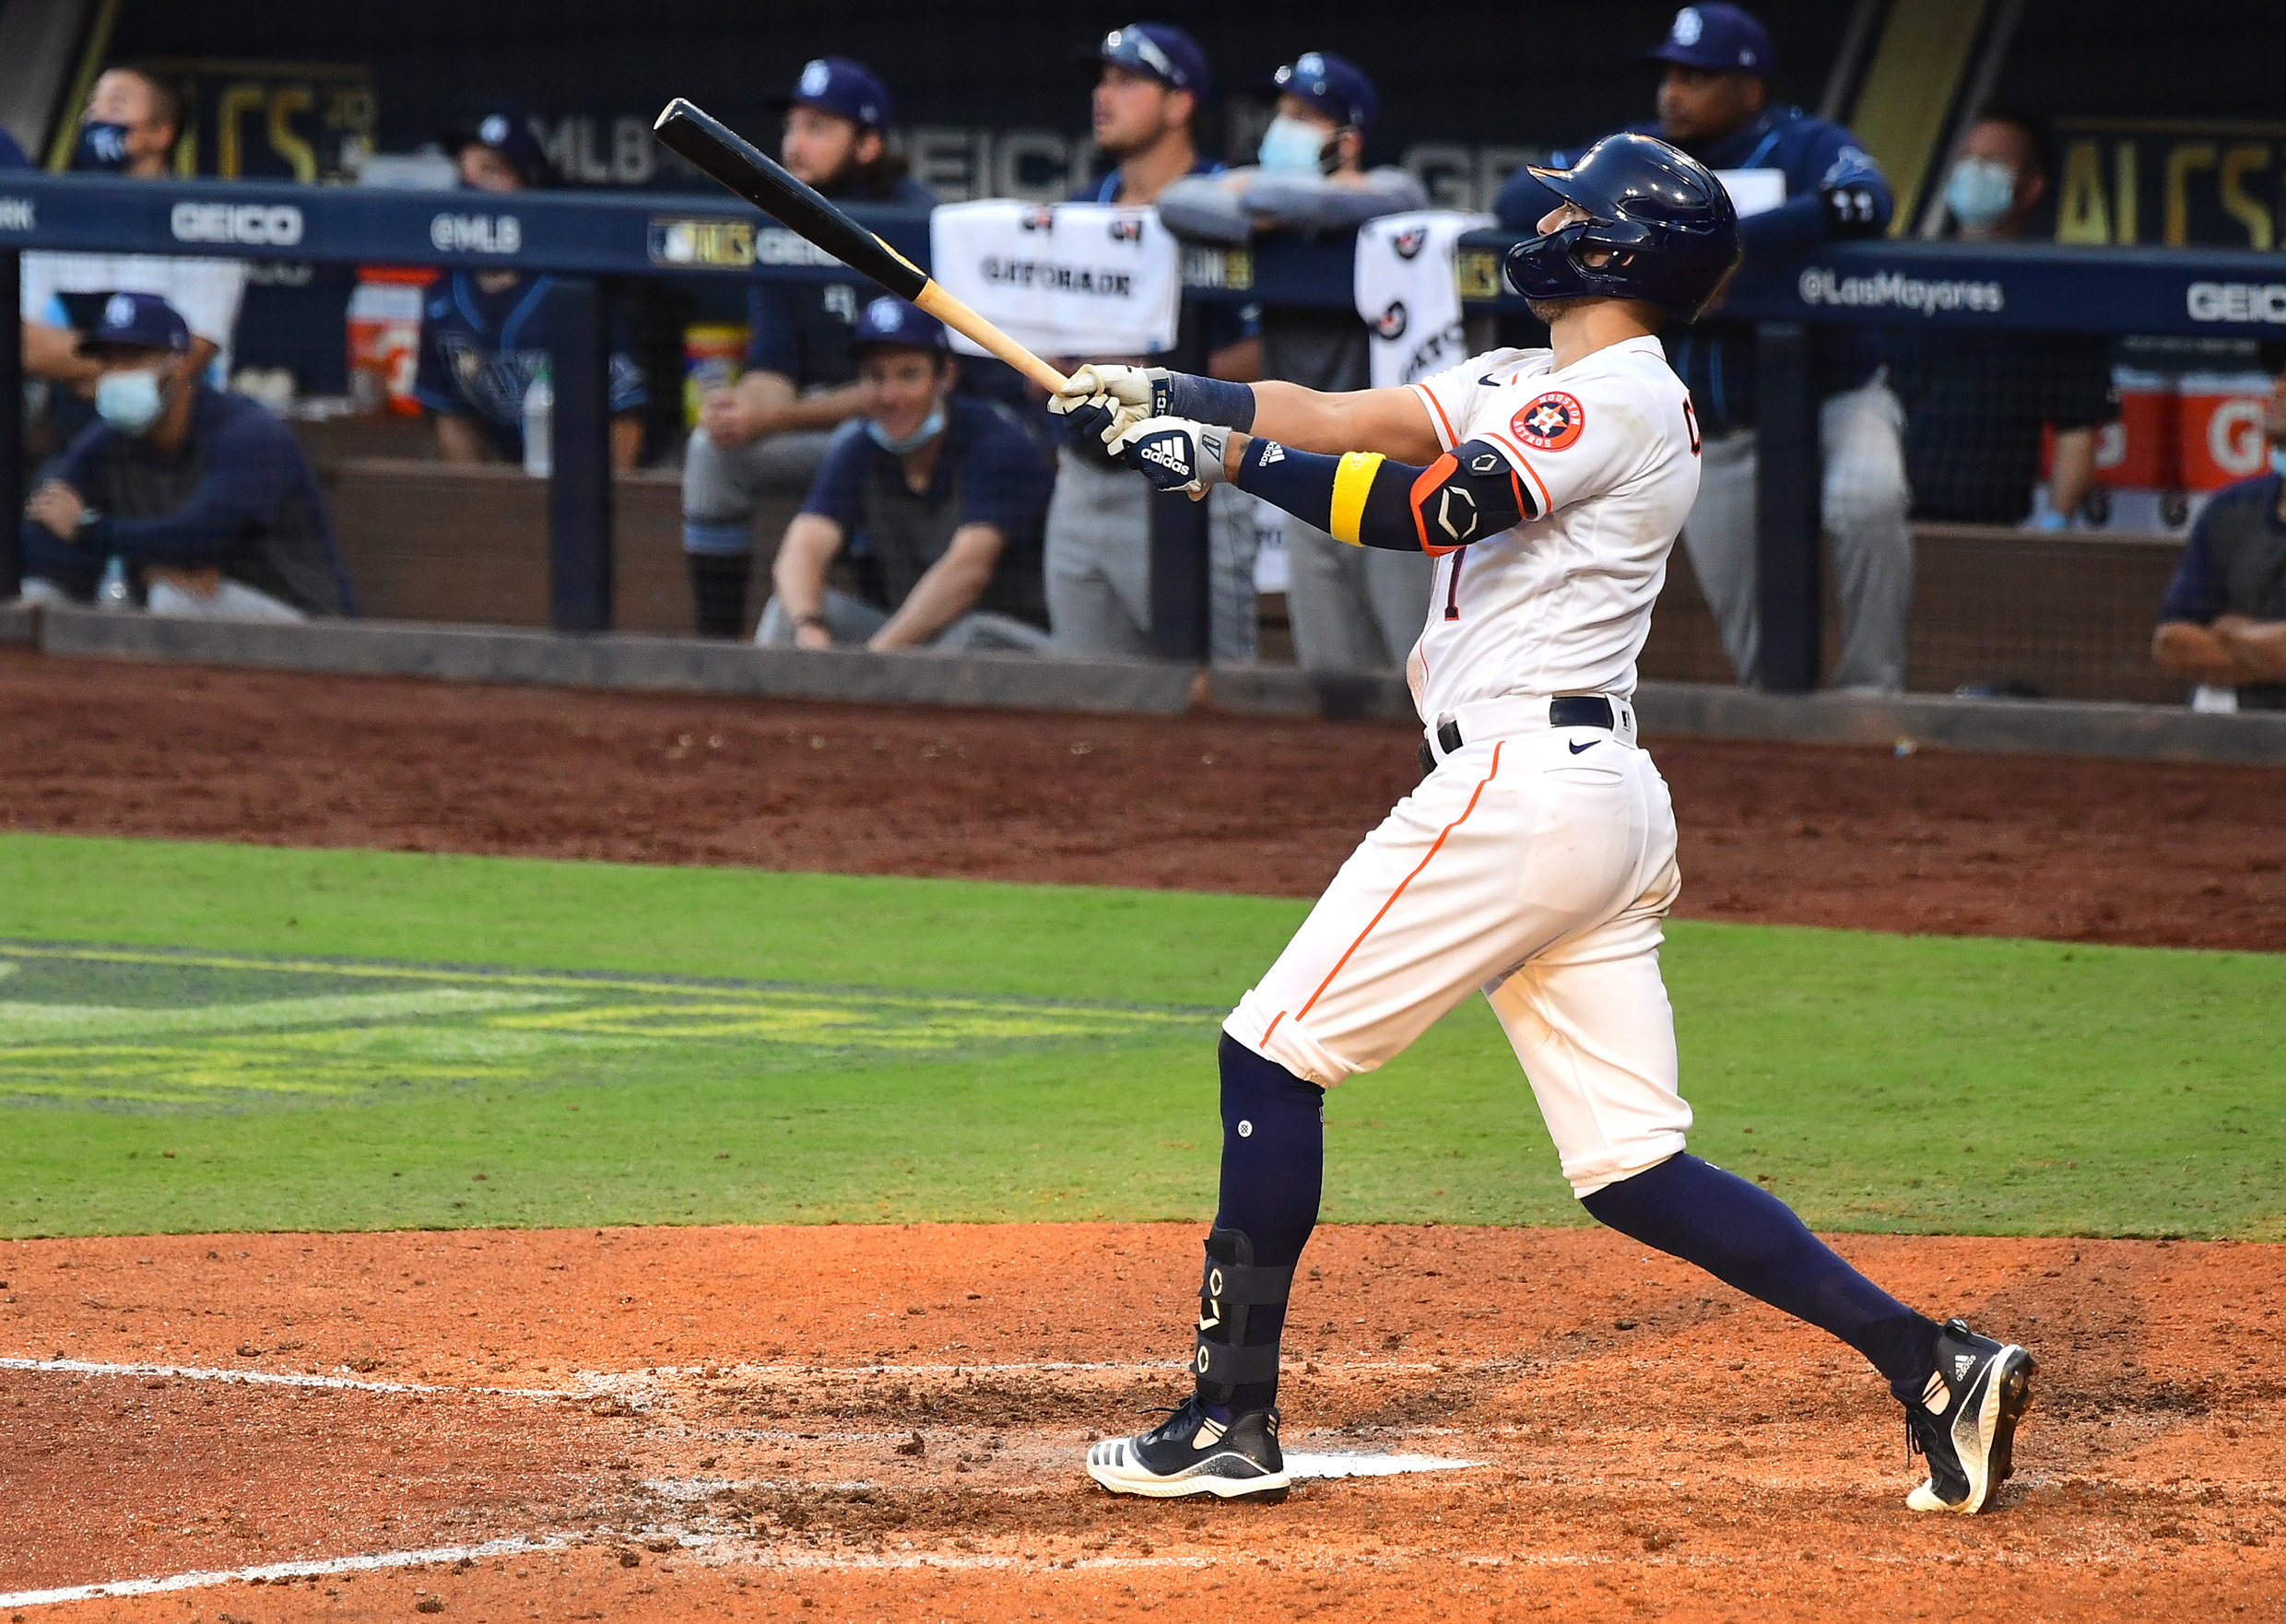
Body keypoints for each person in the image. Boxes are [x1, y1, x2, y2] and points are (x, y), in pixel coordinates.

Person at [1055, 135, 2033, 1513]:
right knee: (1634, 1164)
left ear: (1617, 250)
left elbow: (1431, 506)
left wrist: (1228, 463)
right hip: (1592, 798)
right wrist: (1173, 392)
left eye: (1576, 205)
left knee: (1270, 1053)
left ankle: (1228, 1416)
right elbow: (1354, 417)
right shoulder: (1532, 377)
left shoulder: (1624, 396)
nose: (1548, 216)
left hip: (1522, 788)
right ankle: (1935, 1363)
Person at [1499, 4, 1910, 692]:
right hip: (1719, 425)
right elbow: (1519, 197)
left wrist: (1741, 241)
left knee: (1868, 500)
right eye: (1670, 74)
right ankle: (1786, 735)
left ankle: (1874, 691)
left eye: (1698, 76)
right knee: (1754, 644)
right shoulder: (1635, 158)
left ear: (1750, 89)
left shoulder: (1801, 143)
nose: (1673, 92)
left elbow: (1868, 198)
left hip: (1836, 396)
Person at [1157, 53, 1434, 675]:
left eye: (1302, 116)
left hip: (1393, 472)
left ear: (1348, 138)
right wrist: (1265, 202)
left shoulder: (1393, 193)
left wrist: (1253, 193)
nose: (1281, 129)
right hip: (1304, 469)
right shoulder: (1271, 217)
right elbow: (1178, 203)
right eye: (1279, 114)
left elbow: (1371, 202)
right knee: (1329, 678)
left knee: (1423, 673)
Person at [682, 58, 938, 637]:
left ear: (868, 143)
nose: (794, 145)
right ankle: (715, 651)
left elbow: (899, 392)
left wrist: (777, 416)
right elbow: (775, 367)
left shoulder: (913, 222)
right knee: (710, 450)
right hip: (823, 426)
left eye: (818, 128)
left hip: (907, 435)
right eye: (792, 127)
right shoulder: (781, 218)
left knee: (861, 436)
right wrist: (745, 408)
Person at [1044, 22, 1259, 662]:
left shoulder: (1228, 204)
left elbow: (1263, 344)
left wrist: (1158, 384)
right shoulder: (1082, 208)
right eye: (1103, 81)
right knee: (1090, 698)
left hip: (1191, 479)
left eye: (1129, 81)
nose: (1104, 96)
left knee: (1214, 688)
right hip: (1084, 478)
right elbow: (1041, 343)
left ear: (1180, 102)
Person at [17, 293, 352, 619]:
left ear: (179, 365)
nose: (116, 373)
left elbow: (198, 538)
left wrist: (88, 530)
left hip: (303, 622)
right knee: (40, 594)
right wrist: (144, 560)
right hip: (192, 602)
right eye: (108, 361)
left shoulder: (249, 435)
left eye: (132, 359)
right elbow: (42, 529)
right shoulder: (106, 440)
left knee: (172, 601)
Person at [756, 298, 1051, 653]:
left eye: (908, 375)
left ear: (946, 376)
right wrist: (809, 627)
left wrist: (875, 660)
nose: (890, 395)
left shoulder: (998, 443)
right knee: (785, 614)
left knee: (967, 637)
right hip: (907, 642)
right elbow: (803, 547)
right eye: (875, 377)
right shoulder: (860, 445)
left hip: (1016, 644)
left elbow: (967, 571)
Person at [1889, 113, 2117, 528]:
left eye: (1993, 162)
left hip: (1991, 523)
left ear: (2031, 187)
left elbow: (2078, 429)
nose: (1974, 172)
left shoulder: (2055, 292)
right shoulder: (1907, 275)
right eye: (1967, 159)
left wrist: (2056, 527)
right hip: (1888, 516)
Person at [412, 112, 648, 471]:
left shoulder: (573, 288)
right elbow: (450, 414)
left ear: (527, 187)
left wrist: (601, 511)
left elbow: (624, 417)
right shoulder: (443, 298)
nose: (471, 185)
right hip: (505, 488)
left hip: (587, 480)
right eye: (465, 172)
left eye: (490, 171)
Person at [19, 68, 247, 409]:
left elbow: (187, 361)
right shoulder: (57, 216)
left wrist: (75, 360)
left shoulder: (206, 225)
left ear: (160, 133)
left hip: (177, 427)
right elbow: (27, 347)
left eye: (115, 106)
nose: (95, 118)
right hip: (67, 423)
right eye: (92, 106)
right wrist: (141, 363)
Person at [2151, 361, 2286, 710]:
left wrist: (2231, 634)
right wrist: (2267, 652)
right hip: (2231, 729)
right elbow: (2171, 643)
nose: (2278, 390)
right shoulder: (2232, 508)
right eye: (2280, 378)